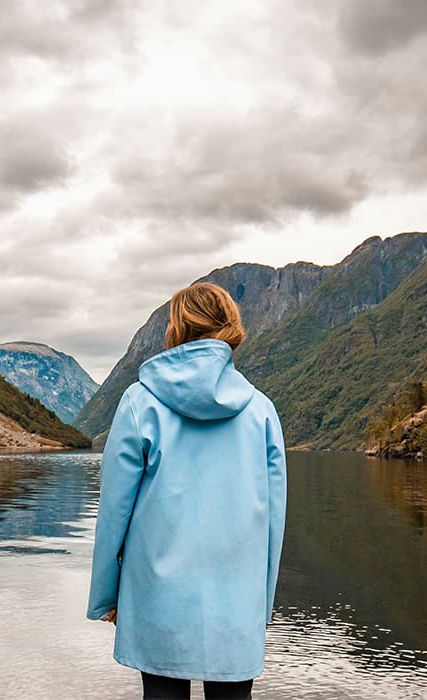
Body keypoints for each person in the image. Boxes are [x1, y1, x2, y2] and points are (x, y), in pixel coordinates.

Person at [87, 282, 288, 700]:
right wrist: (261, 603)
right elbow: (273, 520)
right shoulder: (261, 411)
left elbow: (114, 511)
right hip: (237, 602)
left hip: (156, 597)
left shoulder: (139, 402)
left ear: (177, 327)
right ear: (230, 326)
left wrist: (108, 594)